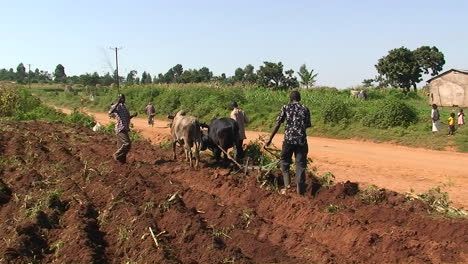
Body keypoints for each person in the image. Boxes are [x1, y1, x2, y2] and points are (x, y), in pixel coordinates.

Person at [266, 91, 312, 195]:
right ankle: (300, 190)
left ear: (290, 99)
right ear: (299, 99)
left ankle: (287, 186)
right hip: (301, 141)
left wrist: (269, 139)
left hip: (288, 140)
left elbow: (278, 123)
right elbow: (307, 124)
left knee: (285, 162)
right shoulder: (305, 108)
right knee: (300, 165)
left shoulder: (285, 107)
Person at [109, 94, 137, 164]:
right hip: (120, 128)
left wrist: (133, 115)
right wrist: (118, 102)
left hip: (125, 128)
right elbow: (110, 112)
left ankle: (121, 162)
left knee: (121, 146)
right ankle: (116, 155)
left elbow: (127, 118)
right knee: (127, 143)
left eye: (124, 98)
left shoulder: (125, 107)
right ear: (119, 99)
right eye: (122, 98)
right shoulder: (117, 106)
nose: (123, 99)